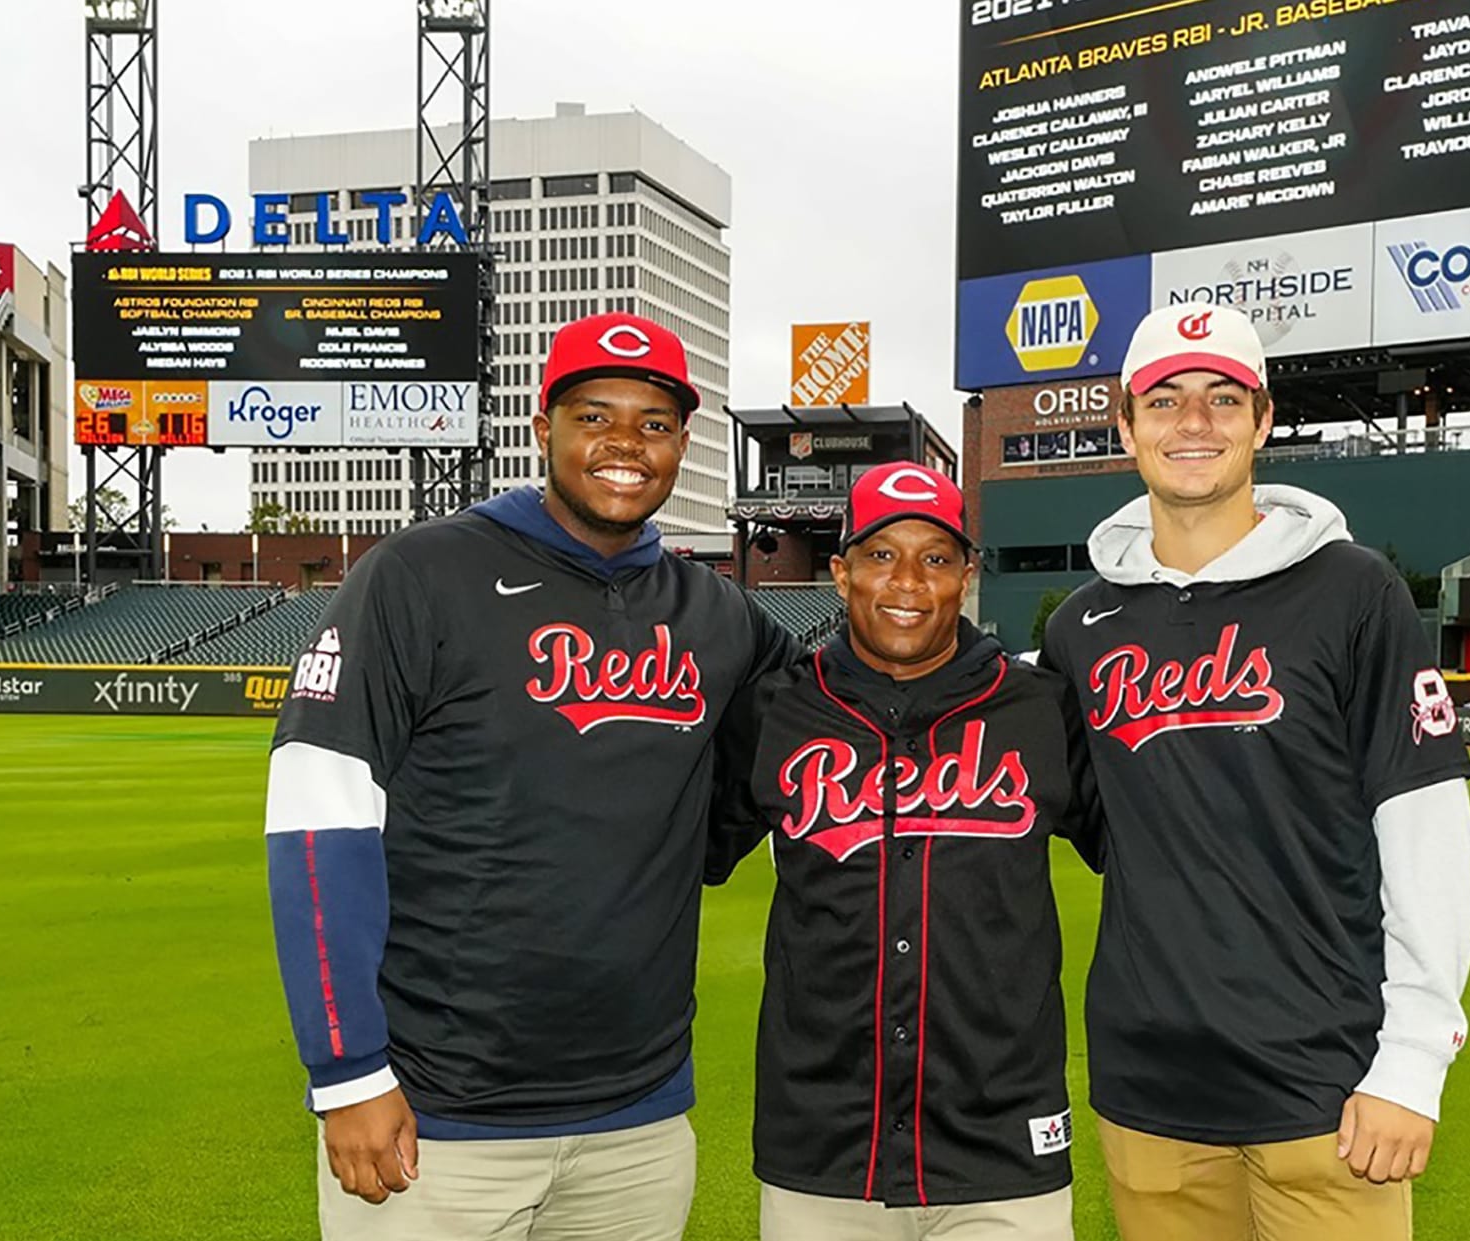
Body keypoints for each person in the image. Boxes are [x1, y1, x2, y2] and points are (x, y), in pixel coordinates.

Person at [264, 311, 798, 1241]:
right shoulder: (419, 575)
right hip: (437, 1120)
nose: (625, 443)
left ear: (682, 441)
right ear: (542, 425)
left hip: (639, 1116)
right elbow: (317, 816)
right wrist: (347, 1071)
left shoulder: (719, 615)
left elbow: (810, 727)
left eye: (655, 422)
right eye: (595, 415)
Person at [1037, 304, 1470, 1241]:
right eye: (1164, 399)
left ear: (1264, 420)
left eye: (1221, 397)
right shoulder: (1080, 627)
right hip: (1149, 1084)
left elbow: (1427, 827)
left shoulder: (1355, 591)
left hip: (1330, 1085)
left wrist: (1412, 1061)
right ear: (1125, 423)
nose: (1193, 421)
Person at [706, 462, 1101, 1241]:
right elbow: (674, 853)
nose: (909, 581)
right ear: (842, 570)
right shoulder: (778, 708)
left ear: (967, 573)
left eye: (936, 556)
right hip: (823, 1147)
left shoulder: (1040, 710)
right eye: (882, 554)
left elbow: (1155, 853)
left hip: (1002, 1145)